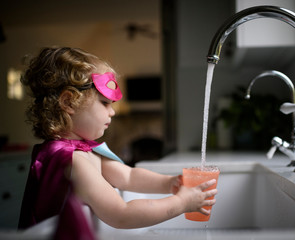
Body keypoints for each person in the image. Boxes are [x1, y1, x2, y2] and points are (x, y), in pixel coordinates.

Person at [18, 47, 217, 231]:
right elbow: (121, 215)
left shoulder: (83, 151)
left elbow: (128, 176)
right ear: (69, 102)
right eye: (105, 103)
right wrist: (182, 203)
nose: (112, 112)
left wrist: (169, 183)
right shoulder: (72, 160)